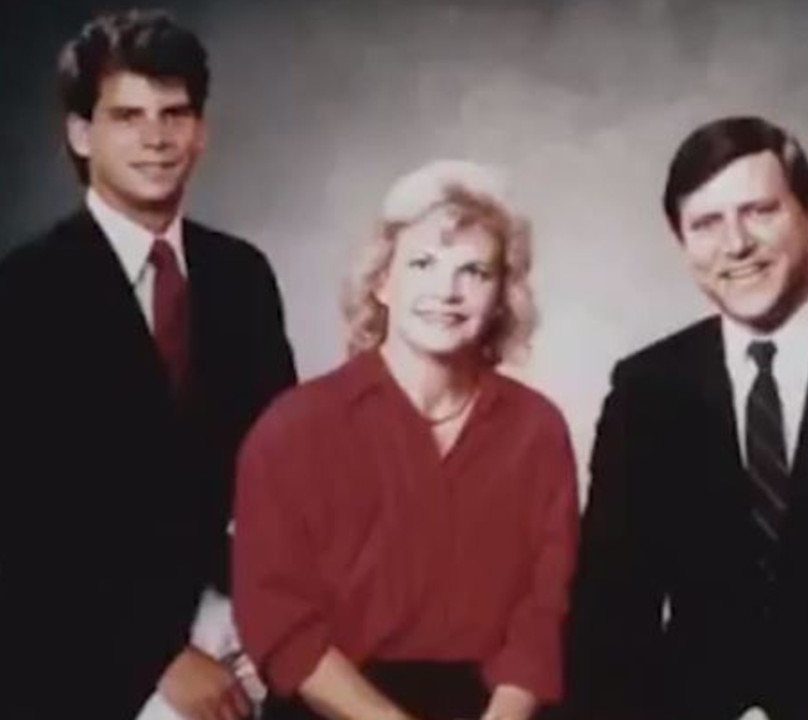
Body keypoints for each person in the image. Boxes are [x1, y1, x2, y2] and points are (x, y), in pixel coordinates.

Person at [564, 116, 808, 720]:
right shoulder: (646, 391)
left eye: (759, 211)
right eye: (706, 224)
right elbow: (608, 622)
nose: (736, 244)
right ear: (682, 243)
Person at [0, 8, 297, 719]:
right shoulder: (25, 291)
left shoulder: (240, 275)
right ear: (81, 133)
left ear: (201, 131)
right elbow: (24, 525)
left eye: (175, 114)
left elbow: (283, 473)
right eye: (127, 115)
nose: (156, 138)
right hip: (91, 652)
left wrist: (276, 617)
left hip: (240, 622)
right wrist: (155, 652)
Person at [233, 159, 579, 720]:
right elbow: (279, 621)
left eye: (476, 271)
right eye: (423, 263)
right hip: (338, 707)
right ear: (382, 282)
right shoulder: (294, 429)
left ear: (501, 297)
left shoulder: (537, 431)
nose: (448, 290)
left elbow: (543, 615)